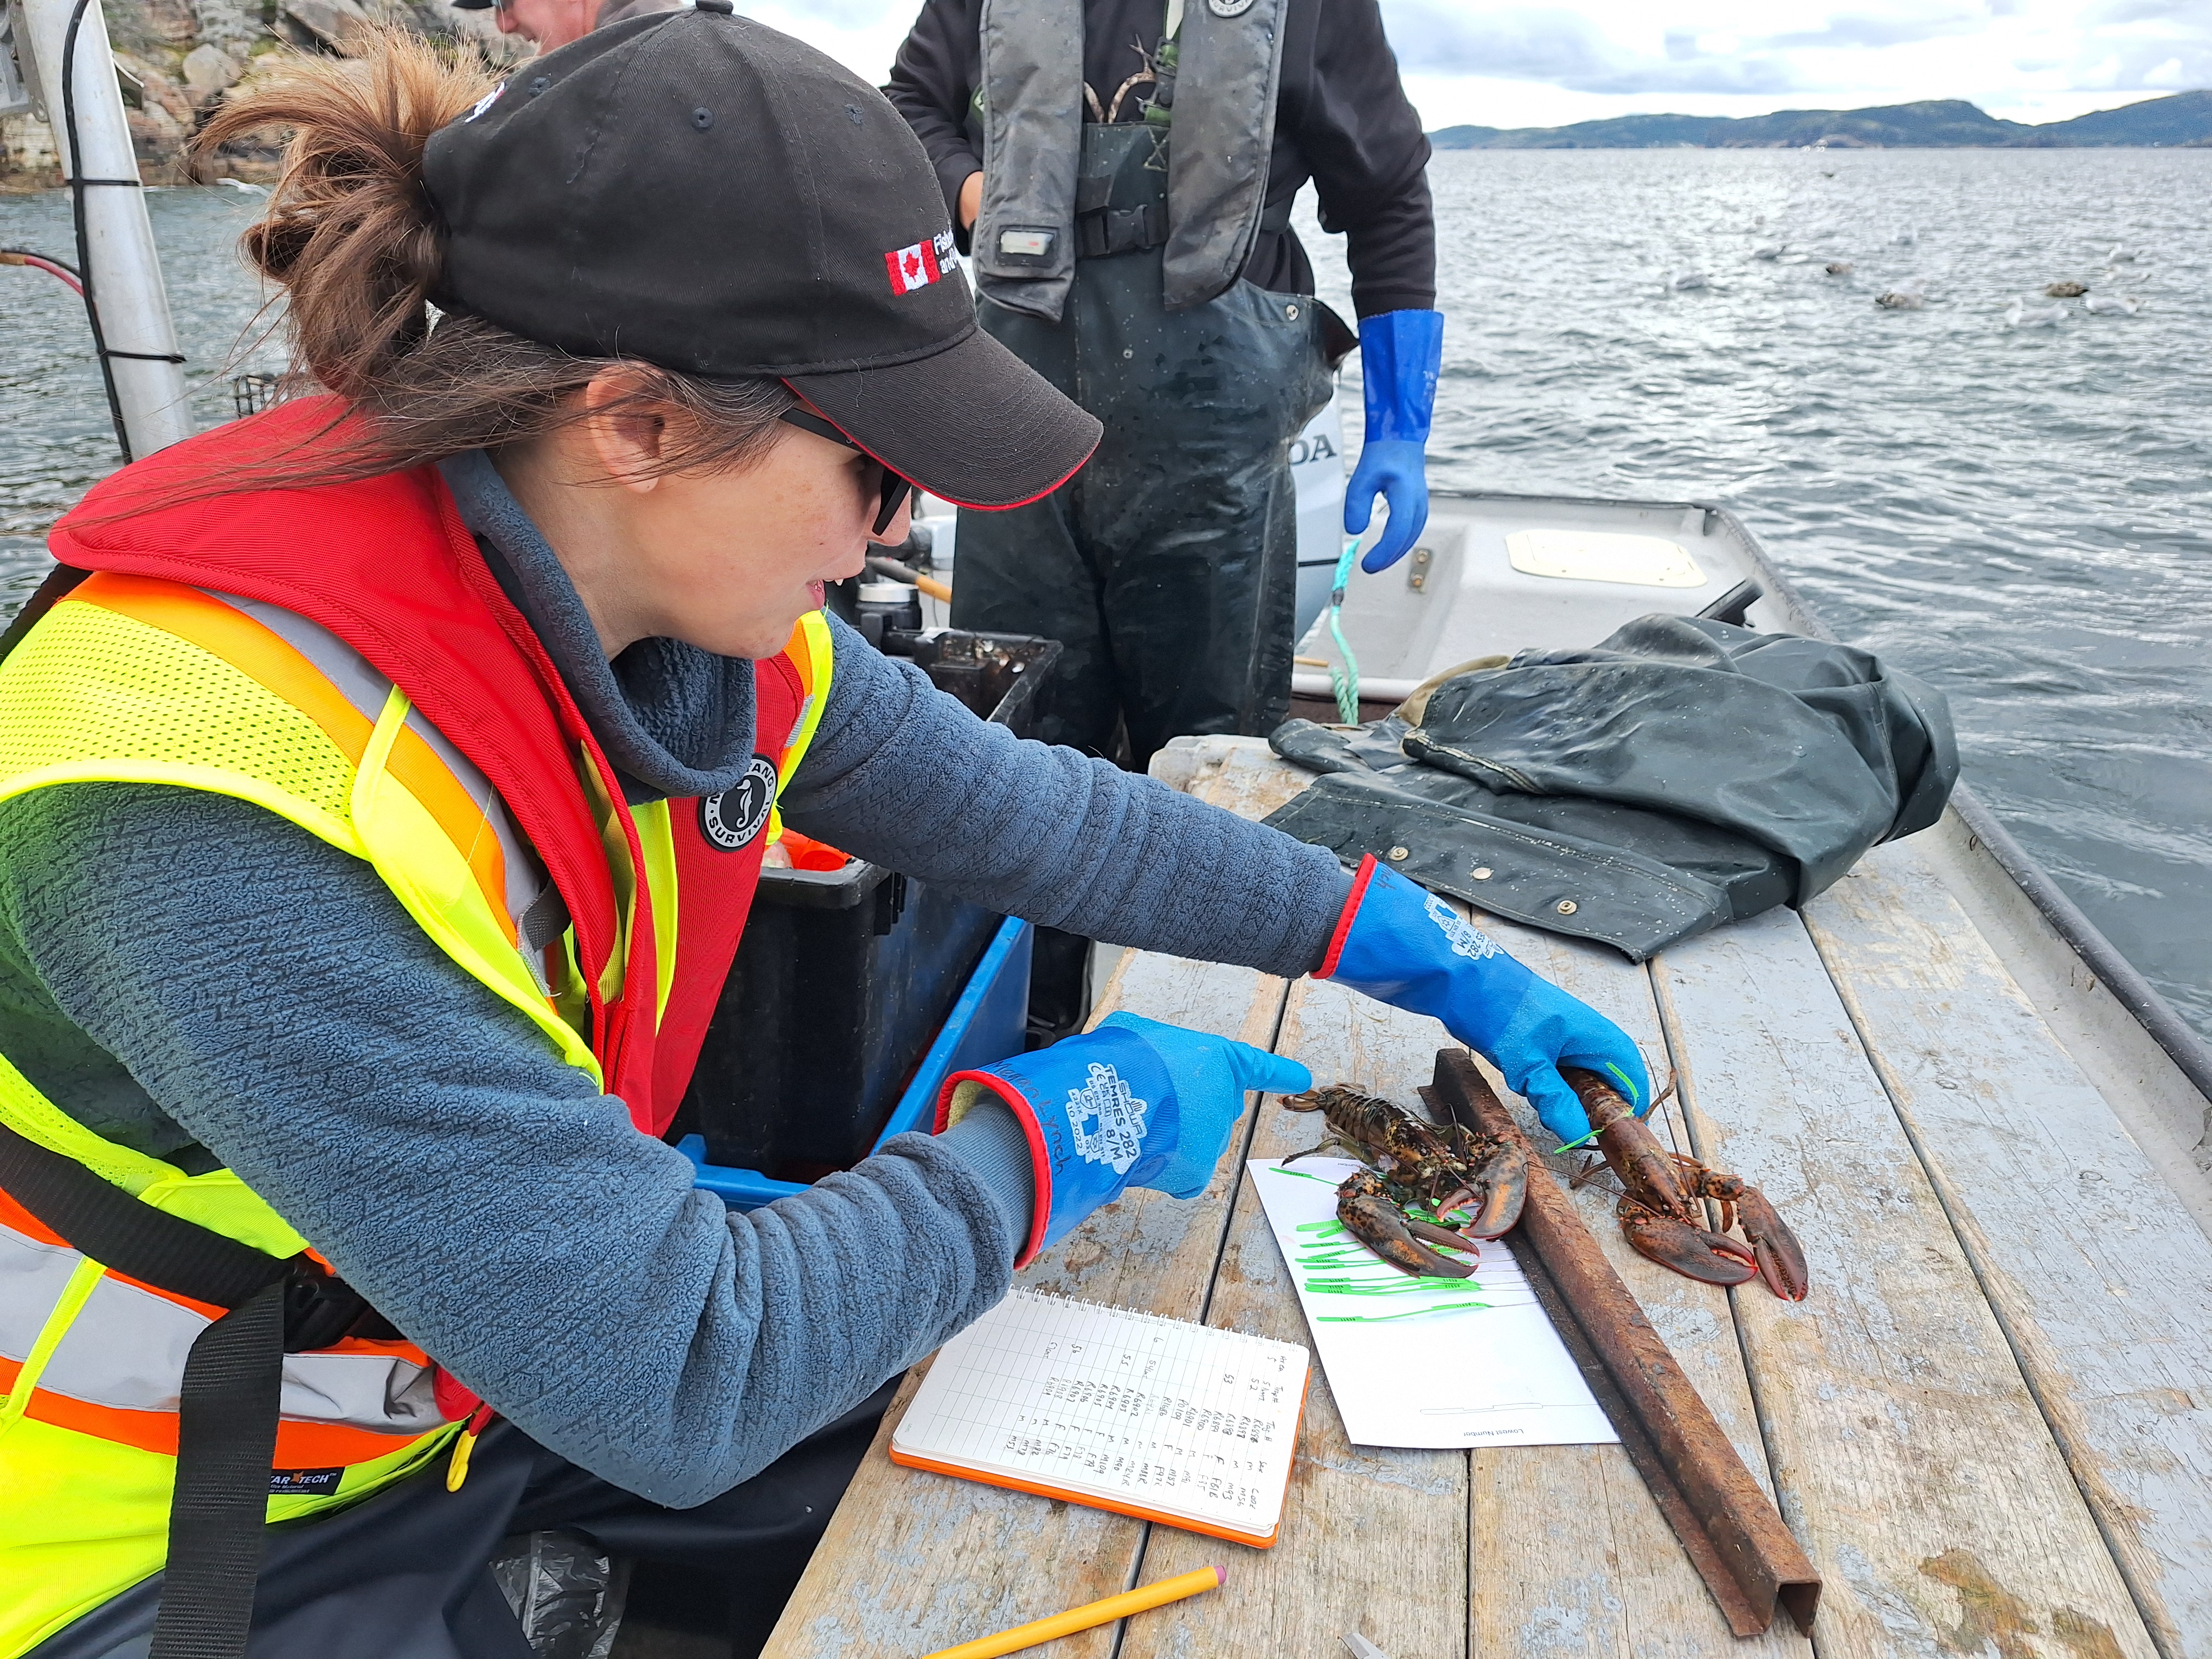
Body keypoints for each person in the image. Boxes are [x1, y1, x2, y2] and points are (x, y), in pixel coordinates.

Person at [0, 15, 1645, 1659]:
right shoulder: (202, 790)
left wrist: (1416, 943)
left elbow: (1046, 818)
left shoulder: (677, 605)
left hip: (444, 1374)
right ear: (633, 423)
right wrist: (1059, 1130)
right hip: (156, 1533)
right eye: (873, 465)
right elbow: (684, 1374)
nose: (905, 525)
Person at [885, 0, 1442, 771]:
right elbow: (907, 105)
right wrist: (972, 192)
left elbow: (1388, 198)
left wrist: (1401, 430)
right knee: (1013, 729)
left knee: (1210, 746)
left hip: (1214, 416)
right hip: (1018, 404)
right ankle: (1011, 890)